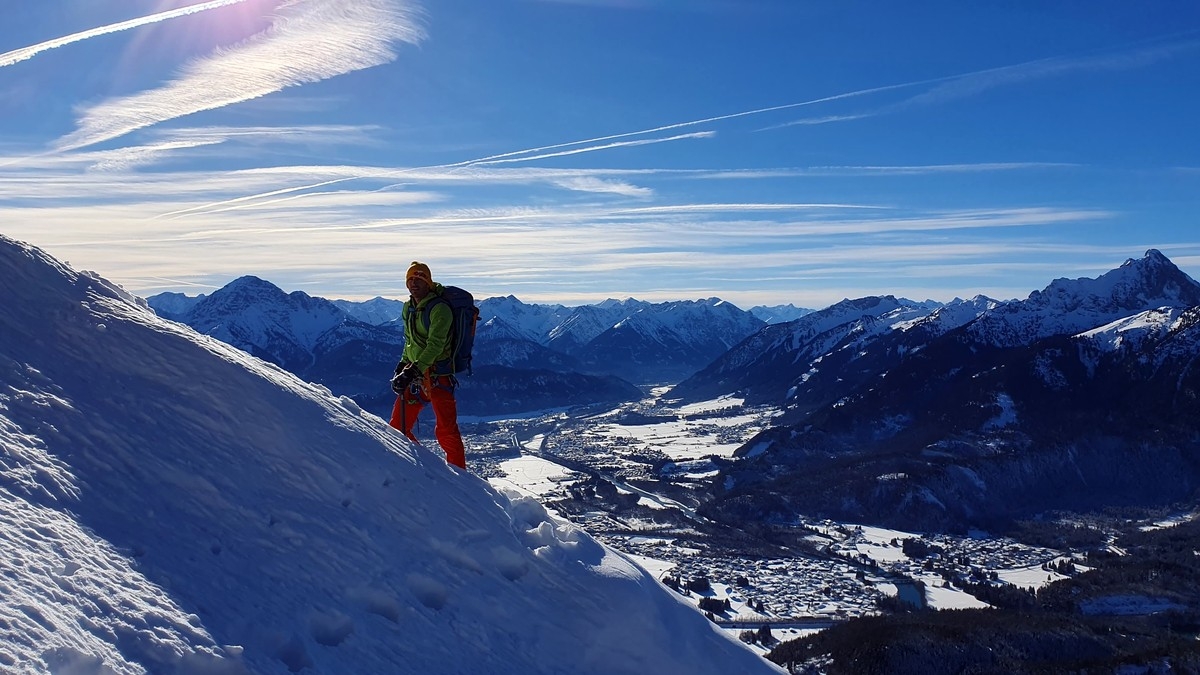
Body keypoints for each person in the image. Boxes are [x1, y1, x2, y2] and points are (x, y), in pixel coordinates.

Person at [389, 261, 467, 469]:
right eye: (410, 279)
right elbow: (409, 340)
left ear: (428, 283)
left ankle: (462, 480)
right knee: (397, 427)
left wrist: (412, 370)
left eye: (419, 279)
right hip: (416, 375)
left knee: (446, 432)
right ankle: (425, 470)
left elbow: (436, 345)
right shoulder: (408, 308)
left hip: (437, 376)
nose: (413, 284)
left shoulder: (440, 309)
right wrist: (403, 364)